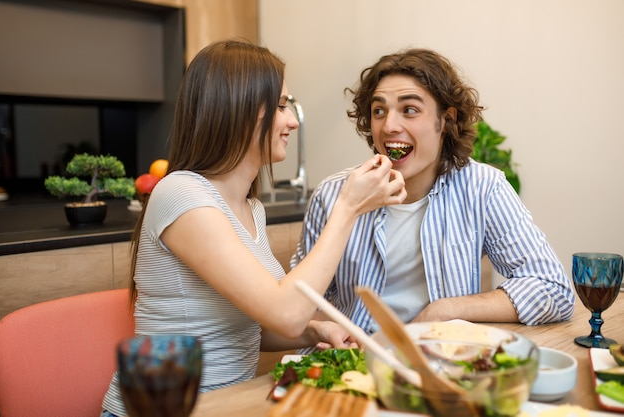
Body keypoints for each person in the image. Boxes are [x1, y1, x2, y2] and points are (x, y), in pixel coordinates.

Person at [100, 40, 406, 417]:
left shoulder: (251, 209)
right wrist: (348, 209)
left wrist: (314, 331)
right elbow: (285, 312)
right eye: (281, 106)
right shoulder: (180, 193)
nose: (291, 121)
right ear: (237, 109)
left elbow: (255, 325)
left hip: (227, 405)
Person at [291, 48, 575, 339]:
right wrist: (322, 331)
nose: (389, 126)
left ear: (445, 119)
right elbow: (295, 308)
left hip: (441, 363)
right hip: (353, 366)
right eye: (379, 111)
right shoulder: (332, 195)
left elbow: (553, 288)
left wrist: (447, 309)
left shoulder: (482, 188)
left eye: (409, 110)